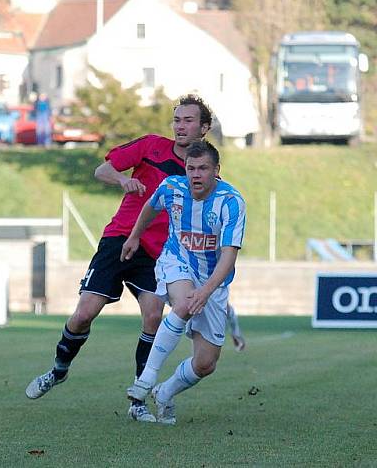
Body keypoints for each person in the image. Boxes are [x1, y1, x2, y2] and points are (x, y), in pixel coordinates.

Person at [25, 95, 213, 423]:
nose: (180, 126)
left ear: (204, 128)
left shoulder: (200, 171)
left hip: (157, 253)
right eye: (177, 120)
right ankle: (58, 369)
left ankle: (138, 398)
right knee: (84, 314)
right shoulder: (151, 146)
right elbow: (103, 169)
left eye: (188, 121)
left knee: (153, 315)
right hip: (119, 239)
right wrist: (123, 179)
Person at [123, 140, 246, 425]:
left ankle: (164, 392)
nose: (196, 174)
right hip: (176, 261)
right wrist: (134, 236)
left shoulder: (231, 202)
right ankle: (147, 378)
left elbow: (229, 256)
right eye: (191, 168)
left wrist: (207, 290)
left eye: (203, 168)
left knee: (205, 364)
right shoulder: (172, 188)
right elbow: (150, 208)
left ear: (217, 170)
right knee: (185, 301)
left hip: (213, 280)